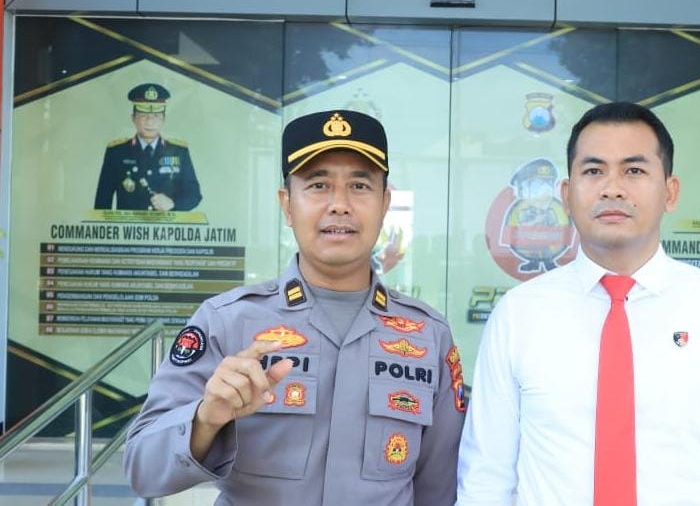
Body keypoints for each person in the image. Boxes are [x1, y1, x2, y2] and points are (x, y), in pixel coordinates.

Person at [457, 102, 700, 505]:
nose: (612, 188)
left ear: (670, 192)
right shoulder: (520, 314)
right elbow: (486, 478)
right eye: (593, 171)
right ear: (567, 195)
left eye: (634, 171)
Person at [125, 110, 465, 505]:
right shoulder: (227, 322)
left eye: (359, 186)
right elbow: (142, 469)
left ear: (385, 203)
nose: (340, 205)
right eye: (319, 185)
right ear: (287, 204)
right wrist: (205, 418)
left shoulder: (428, 336)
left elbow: (439, 489)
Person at [94, 83, 202, 211]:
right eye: (143, 116)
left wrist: (173, 204)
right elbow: (102, 200)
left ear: (163, 119)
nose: (150, 122)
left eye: (156, 116)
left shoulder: (179, 152)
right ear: (133, 118)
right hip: (129, 224)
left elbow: (194, 194)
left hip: (165, 223)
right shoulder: (116, 152)